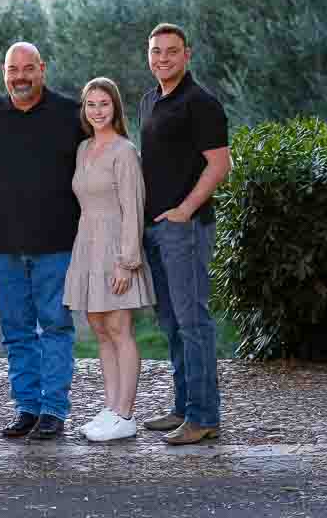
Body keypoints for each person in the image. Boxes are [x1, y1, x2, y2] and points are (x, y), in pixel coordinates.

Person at [0, 42, 86, 440]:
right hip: (4, 247)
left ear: (42, 68)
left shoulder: (71, 114)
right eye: (12, 69)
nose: (20, 77)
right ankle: (27, 407)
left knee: (56, 327)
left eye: (28, 68)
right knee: (17, 332)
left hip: (57, 245)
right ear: (3, 72)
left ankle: (54, 411)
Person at [138, 24, 232, 445]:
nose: (163, 58)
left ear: (186, 55)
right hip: (155, 228)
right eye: (156, 51)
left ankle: (203, 416)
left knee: (194, 322)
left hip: (185, 229)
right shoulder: (149, 101)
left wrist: (185, 210)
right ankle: (182, 407)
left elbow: (220, 164)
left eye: (171, 52)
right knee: (172, 322)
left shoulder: (201, 103)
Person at [64, 77, 155, 442]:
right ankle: (110, 407)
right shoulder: (83, 149)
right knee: (100, 330)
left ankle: (126, 413)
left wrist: (126, 261)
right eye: (91, 104)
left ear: (115, 107)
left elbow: (133, 208)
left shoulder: (124, 151)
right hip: (87, 243)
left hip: (116, 245)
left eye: (104, 104)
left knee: (119, 329)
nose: (97, 111)